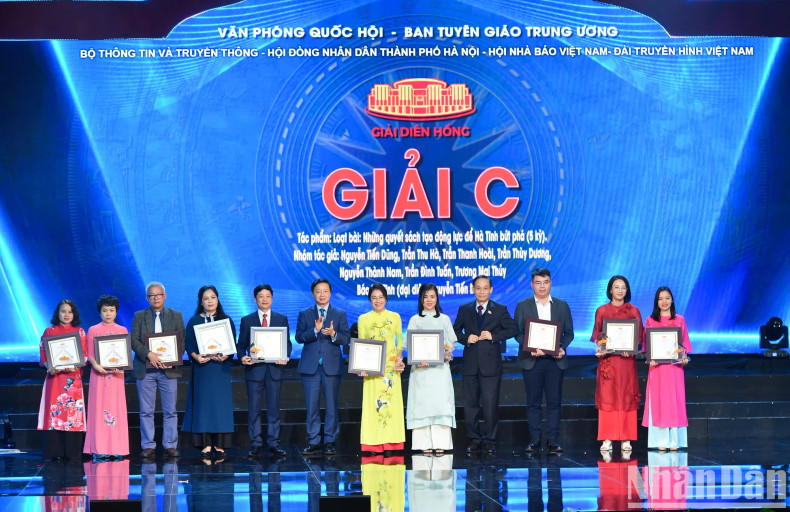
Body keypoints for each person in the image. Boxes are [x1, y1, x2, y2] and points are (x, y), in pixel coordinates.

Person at [453, 275, 518, 454]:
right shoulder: (465, 309)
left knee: (490, 406)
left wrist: (494, 336)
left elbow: (513, 329)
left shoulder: (500, 309)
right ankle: (474, 439)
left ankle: (490, 440)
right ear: (473, 289)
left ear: (491, 290)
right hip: (470, 365)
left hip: (491, 365)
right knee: (470, 406)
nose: (481, 291)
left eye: (485, 288)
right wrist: (466, 338)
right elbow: (455, 330)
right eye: (478, 288)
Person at [514, 268, 574, 453]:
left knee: (554, 402)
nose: (542, 286)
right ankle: (534, 439)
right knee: (533, 402)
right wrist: (530, 347)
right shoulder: (523, 305)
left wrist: (561, 348)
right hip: (532, 360)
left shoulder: (561, 305)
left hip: (555, 361)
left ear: (550, 283)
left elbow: (569, 333)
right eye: (538, 282)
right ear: (532, 284)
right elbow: (518, 332)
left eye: (545, 282)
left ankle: (552, 440)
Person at [131, 281, 185, 459]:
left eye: (159, 295)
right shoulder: (139, 316)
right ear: (147, 298)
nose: (156, 298)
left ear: (165, 296)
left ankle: (170, 445)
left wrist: (172, 359)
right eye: (152, 295)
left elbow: (181, 341)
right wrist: (149, 354)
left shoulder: (176, 315)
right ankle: (148, 446)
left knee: (170, 410)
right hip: (145, 369)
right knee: (146, 411)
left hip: (168, 370)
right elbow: (134, 340)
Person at [295, 278, 350, 456]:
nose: (322, 294)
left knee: (332, 406)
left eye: (325, 291)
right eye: (318, 291)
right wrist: (315, 331)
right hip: (310, 367)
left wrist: (334, 334)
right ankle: (313, 441)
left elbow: (346, 339)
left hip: (331, 366)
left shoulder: (339, 313)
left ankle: (330, 441)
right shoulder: (304, 313)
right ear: (313, 294)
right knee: (312, 406)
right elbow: (298, 337)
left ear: (330, 293)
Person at [182, 285, 237, 458]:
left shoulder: (226, 320)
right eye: (206, 298)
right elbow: (188, 344)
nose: (210, 301)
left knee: (220, 406)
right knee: (203, 406)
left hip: (220, 369)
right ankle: (205, 443)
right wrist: (195, 356)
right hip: (202, 369)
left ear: (218, 299)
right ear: (201, 302)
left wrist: (227, 355)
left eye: (213, 297)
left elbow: (232, 344)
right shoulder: (194, 321)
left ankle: (220, 444)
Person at [237, 284, 291, 458]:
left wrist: (285, 355)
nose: (264, 299)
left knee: (274, 409)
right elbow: (241, 344)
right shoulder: (247, 320)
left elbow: (287, 343)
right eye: (261, 296)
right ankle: (256, 444)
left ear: (272, 299)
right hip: (254, 370)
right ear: (255, 299)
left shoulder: (281, 319)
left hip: (275, 369)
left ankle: (274, 443)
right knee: (254, 409)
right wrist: (242, 356)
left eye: (268, 296)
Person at [592, 275, 644, 453]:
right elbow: (598, 336)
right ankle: (607, 438)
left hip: (626, 362)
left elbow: (639, 337)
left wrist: (630, 347)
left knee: (626, 395)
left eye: (623, 287)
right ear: (610, 290)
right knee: (608, 397)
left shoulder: (633, 311)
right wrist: (602, 347)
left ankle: (625, 438)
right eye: (616, 287)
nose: (620, 290)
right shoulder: (602, 310)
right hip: (608, 362)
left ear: (627, 290)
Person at [405, 283, 457, 455]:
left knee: (439, 404)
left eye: (432, 296)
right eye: (425, 296)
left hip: (440, 372)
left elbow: (452, 343)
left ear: (437, 298)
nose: (429, 300)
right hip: (421, 371)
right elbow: (409, 345)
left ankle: (441, 443)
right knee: (422, 405)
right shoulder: (415, 320)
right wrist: (417, 359)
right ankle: (423, 443)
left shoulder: (444, 319)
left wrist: (447, 352)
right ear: (421, 299)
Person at [356, 283, 406, 453]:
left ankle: (392, 443)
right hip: (372, 370)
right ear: (370, 300)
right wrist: (361, 366)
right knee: (373, 405)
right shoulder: (363, 318)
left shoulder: (395, 316)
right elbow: (361, 344)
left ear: (386, 298)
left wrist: (399, 360)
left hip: (391, 369)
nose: (378, 301)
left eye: (381, 297)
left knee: (391, 405)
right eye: (374, 298)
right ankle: (373, 443)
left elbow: (400, 342)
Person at [38, 299, 89, 460]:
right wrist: (49, 367)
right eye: (63, 311)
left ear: (74, 314)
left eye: (70, 311)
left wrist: (76, 365)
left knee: (73, 414)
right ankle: (55, 453)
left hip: (73, 379)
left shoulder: (80, 331)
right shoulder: (49, 332)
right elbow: (43, 355)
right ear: (57, 313)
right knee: (55, 413)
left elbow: (84, 355)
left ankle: (73, 453)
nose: (66, 314)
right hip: (54, 379)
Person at [643, 286, 692, 451]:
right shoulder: (650, 320)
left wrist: (683, 357)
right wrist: (650, 358)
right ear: (656, 302)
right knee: (660, 403)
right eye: (660, 298)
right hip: (657, 369)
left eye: (667, 298)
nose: (664, 301)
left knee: (674, 403)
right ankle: (661, 441)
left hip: (674, 369)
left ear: (672, 300)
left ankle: (675, 441)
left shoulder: (680, 320)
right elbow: (647, 347)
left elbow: (684, 346)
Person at [83, 295, 130, 459]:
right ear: (100, 312)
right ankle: (100, 448)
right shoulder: (93, 330)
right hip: (99, 375)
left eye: (111, 310)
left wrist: (121, 367)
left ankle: (117, 448)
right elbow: (90, 354)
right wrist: (96, 366)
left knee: (116, 409)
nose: (108, 313)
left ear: (116, 312)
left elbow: (124, 356)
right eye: (105, 310)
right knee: (99, 410)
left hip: (116, 377)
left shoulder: (122, 330)